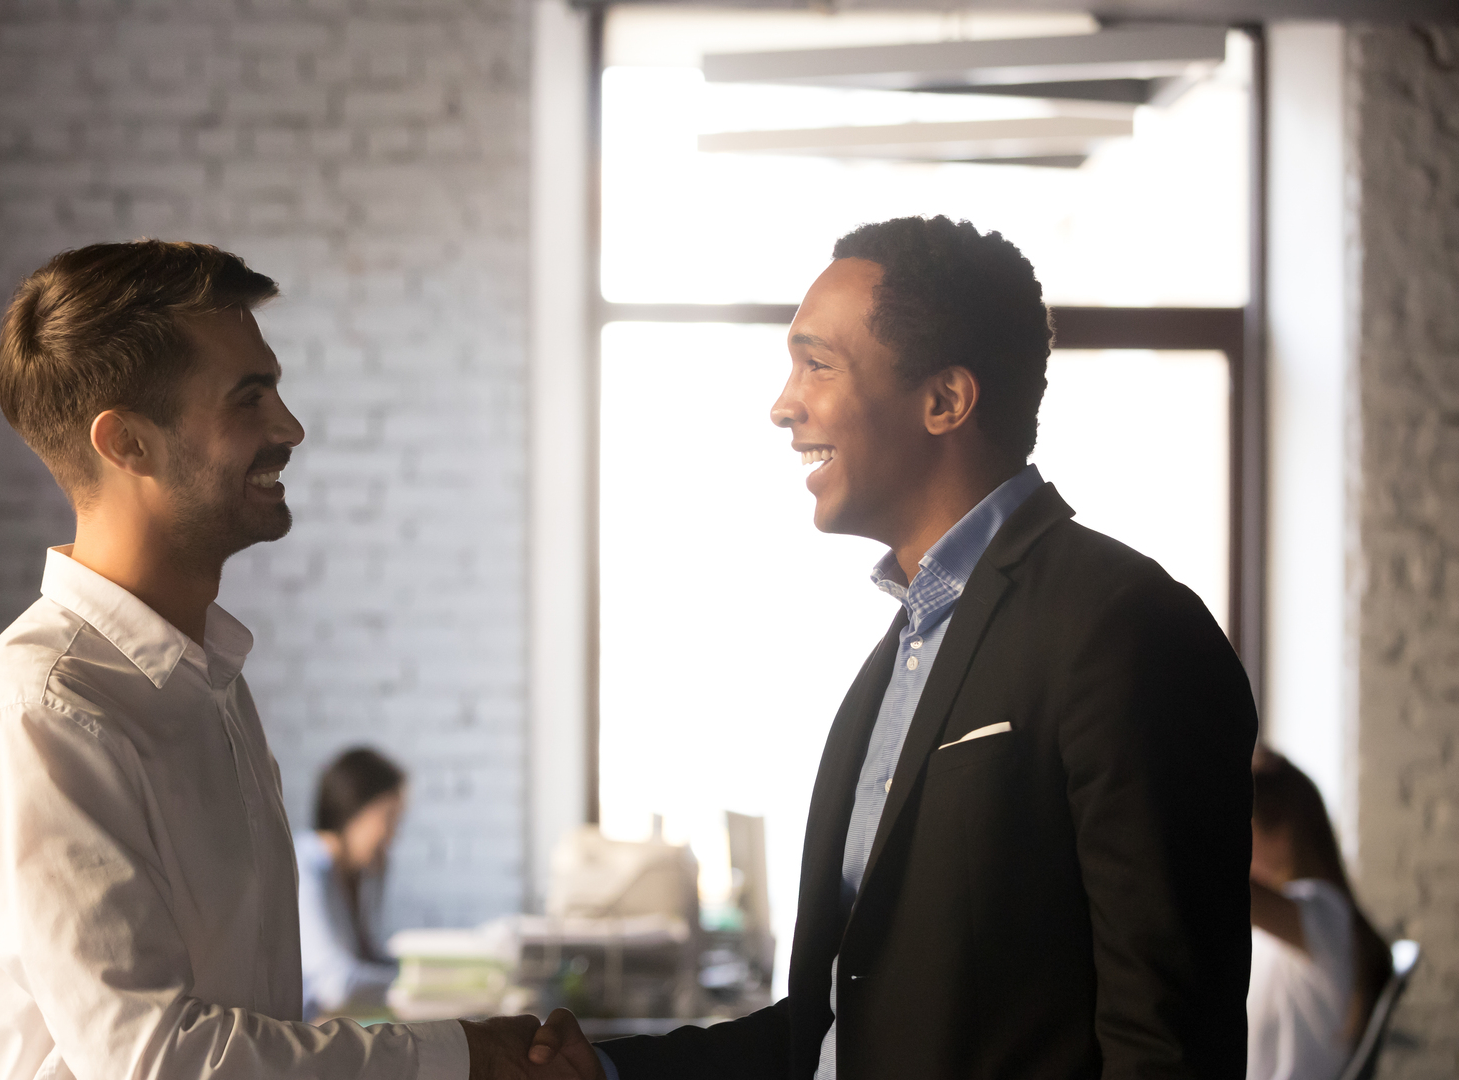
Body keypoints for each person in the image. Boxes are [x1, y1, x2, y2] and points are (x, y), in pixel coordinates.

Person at [529, 215, 1259, 1080]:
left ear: (945, 400)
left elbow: (1167, 1043)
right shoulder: (909, 645)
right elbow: (845, 1026)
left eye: (817, 364)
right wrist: (610, 1074)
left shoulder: (1124, 627)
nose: (782, 404)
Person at [0, 240, 570, 1080]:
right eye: (248, 399)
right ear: (127, 444)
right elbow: (153, 1061)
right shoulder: (38, 717)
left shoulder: (204, 684)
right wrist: (459, 1058)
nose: (289, 429)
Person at [1247, 748, 1392, 1080]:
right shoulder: (1303, 921)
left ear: (1282, 834)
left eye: (1244, 830)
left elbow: (1220, 883)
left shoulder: (1323, 910)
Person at [299, 748, 408, 1019]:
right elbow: (333, 986)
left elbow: (365, 961)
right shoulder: (305, 865)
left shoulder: (354, 875)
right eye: (388, 818)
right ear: (353, 808)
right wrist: (418, 987)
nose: (392, 836)